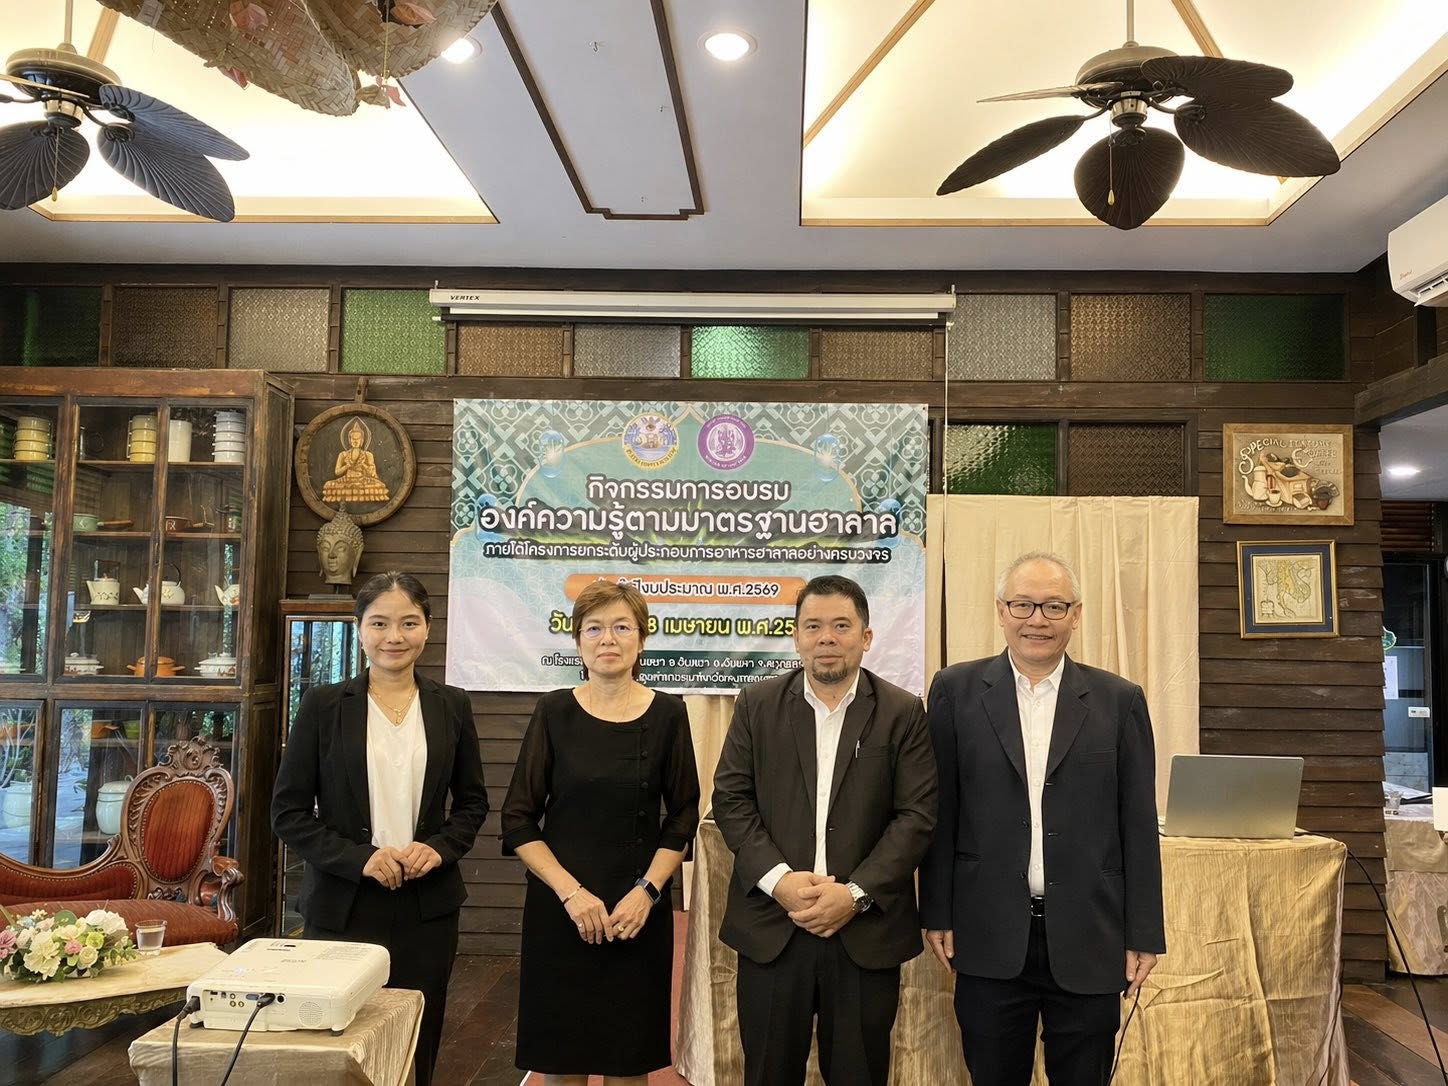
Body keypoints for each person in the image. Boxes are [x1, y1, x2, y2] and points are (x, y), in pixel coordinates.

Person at [919, 552, 1165, 1086]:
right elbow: (940, 810)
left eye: (1054, 606)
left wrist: (1144, 931)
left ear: (1075, 615)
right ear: (1000, 611)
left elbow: (1138, 826)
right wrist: (936, 910)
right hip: (986, 932)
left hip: (1090, 935)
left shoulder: (1119, 700)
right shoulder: (955, 691)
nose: (1038, 619)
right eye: (1023, 605)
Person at [712, 574, 937, 1086]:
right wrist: (780, 882)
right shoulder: (756, 704)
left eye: (841, 625)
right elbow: (731, 799)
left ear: (866, 636)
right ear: (796, 636)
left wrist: (853, 894)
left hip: (863, 933)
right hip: (773, 928)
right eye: (813, 626)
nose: (826, 638)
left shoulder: (902, 712)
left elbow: (916, 816)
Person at [272, 571, 487, 1086]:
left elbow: (472, 803)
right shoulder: (323, 705)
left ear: (428, 628)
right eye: (380, 623)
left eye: (409, 623)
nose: (395, 636)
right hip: (343, 904)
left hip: (427, 904)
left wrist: (439, 848)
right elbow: (289, 813)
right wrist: (361, 859)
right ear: (360, 629)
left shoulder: (451, 704)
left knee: (417, 1039)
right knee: (336, 1044)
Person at [502, 580, 699, 1085]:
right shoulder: (553, 712)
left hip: (636, 910)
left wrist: (647, 893)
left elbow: (683, 816)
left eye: (621, 627)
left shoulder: (669, 713)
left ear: (641, 639)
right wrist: (571, 895)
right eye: (594, 629)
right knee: (561, 1061)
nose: (607, 639)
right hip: (562, 907)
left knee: (627, 1060)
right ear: (578, 641)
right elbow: (518, 819)